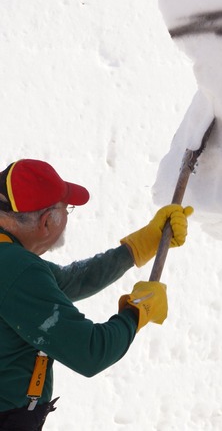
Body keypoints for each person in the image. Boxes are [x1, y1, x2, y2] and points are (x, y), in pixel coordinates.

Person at [0, 159, 193, 430]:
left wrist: (139, 246)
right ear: (46, 221)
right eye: (68, 209)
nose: (68, 216)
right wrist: (137, 312)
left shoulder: (9, 257)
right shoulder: (16, 269)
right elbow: (91, 352)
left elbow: (72, 280)